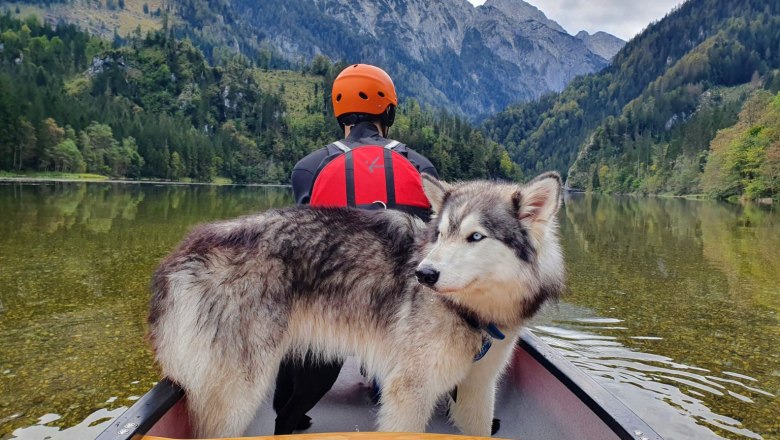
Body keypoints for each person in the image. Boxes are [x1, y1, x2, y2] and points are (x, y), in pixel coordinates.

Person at [273, 63, 438, 435]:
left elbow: (300, 239)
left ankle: (287, 414)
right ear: (389, 111)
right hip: (401, 312)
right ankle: (386, 383)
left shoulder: (309, 167)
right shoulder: (421, 165)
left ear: (338, 112)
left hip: (333, 308)